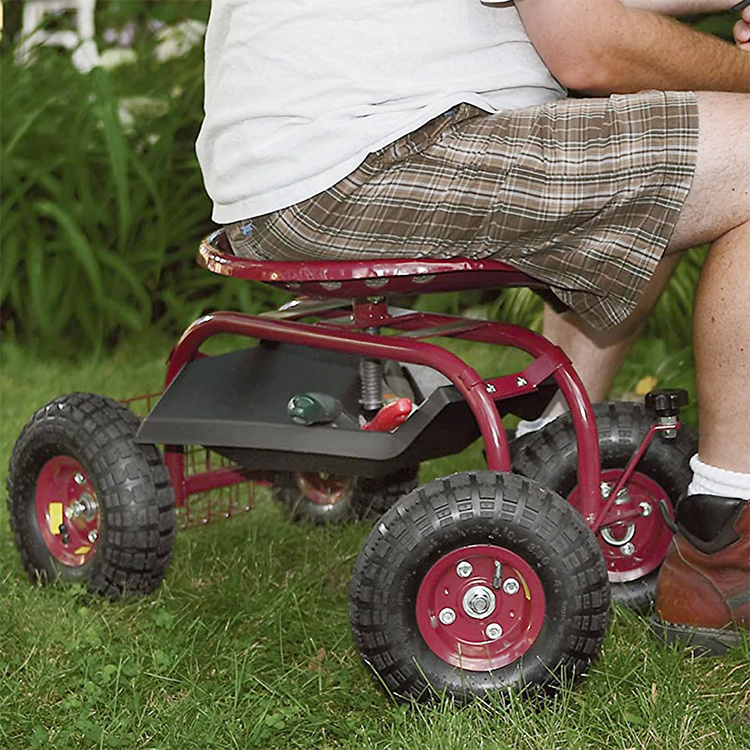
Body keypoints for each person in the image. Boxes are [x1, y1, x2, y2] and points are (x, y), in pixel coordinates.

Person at [195, 0, 750, 653]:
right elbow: (587, 45)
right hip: (373, 157)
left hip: (297, 167)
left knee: (678, 167)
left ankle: (548, 458)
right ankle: (727, 537)